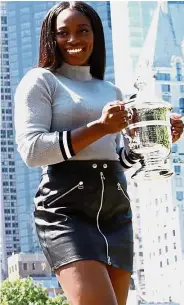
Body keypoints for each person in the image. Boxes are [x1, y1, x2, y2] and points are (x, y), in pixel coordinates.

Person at [14, 2, 183, 305]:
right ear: (51, 38)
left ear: (95, 34)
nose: (74, 39)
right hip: (65, 211)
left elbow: (120, 159)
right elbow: (32, 150)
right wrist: (100, 126)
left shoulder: (111, 91)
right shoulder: (40, 81)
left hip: (116, 212)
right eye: (63, 33)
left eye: (83, 30)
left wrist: (157, 138)